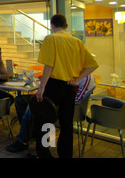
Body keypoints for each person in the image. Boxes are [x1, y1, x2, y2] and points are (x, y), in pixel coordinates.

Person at [33, 13, 98, 158]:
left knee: (46, 121)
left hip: (53, 85)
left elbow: (49, 64)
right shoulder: (77, 42)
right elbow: (93, 65)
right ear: (66, 26)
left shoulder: (50, 39)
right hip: (69, 87)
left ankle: (45, 154)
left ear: (52, 26)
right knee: (66, 124)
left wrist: (42, 86)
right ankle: (65, 155)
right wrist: (77, 78)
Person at [6, 74, 96, 153]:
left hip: (69, 109)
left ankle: (23, 140)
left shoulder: (84, 78)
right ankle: (29, 134)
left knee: (35, 107)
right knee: (20, 100)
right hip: (57, 101)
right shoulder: (71, 74)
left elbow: (75, 100)